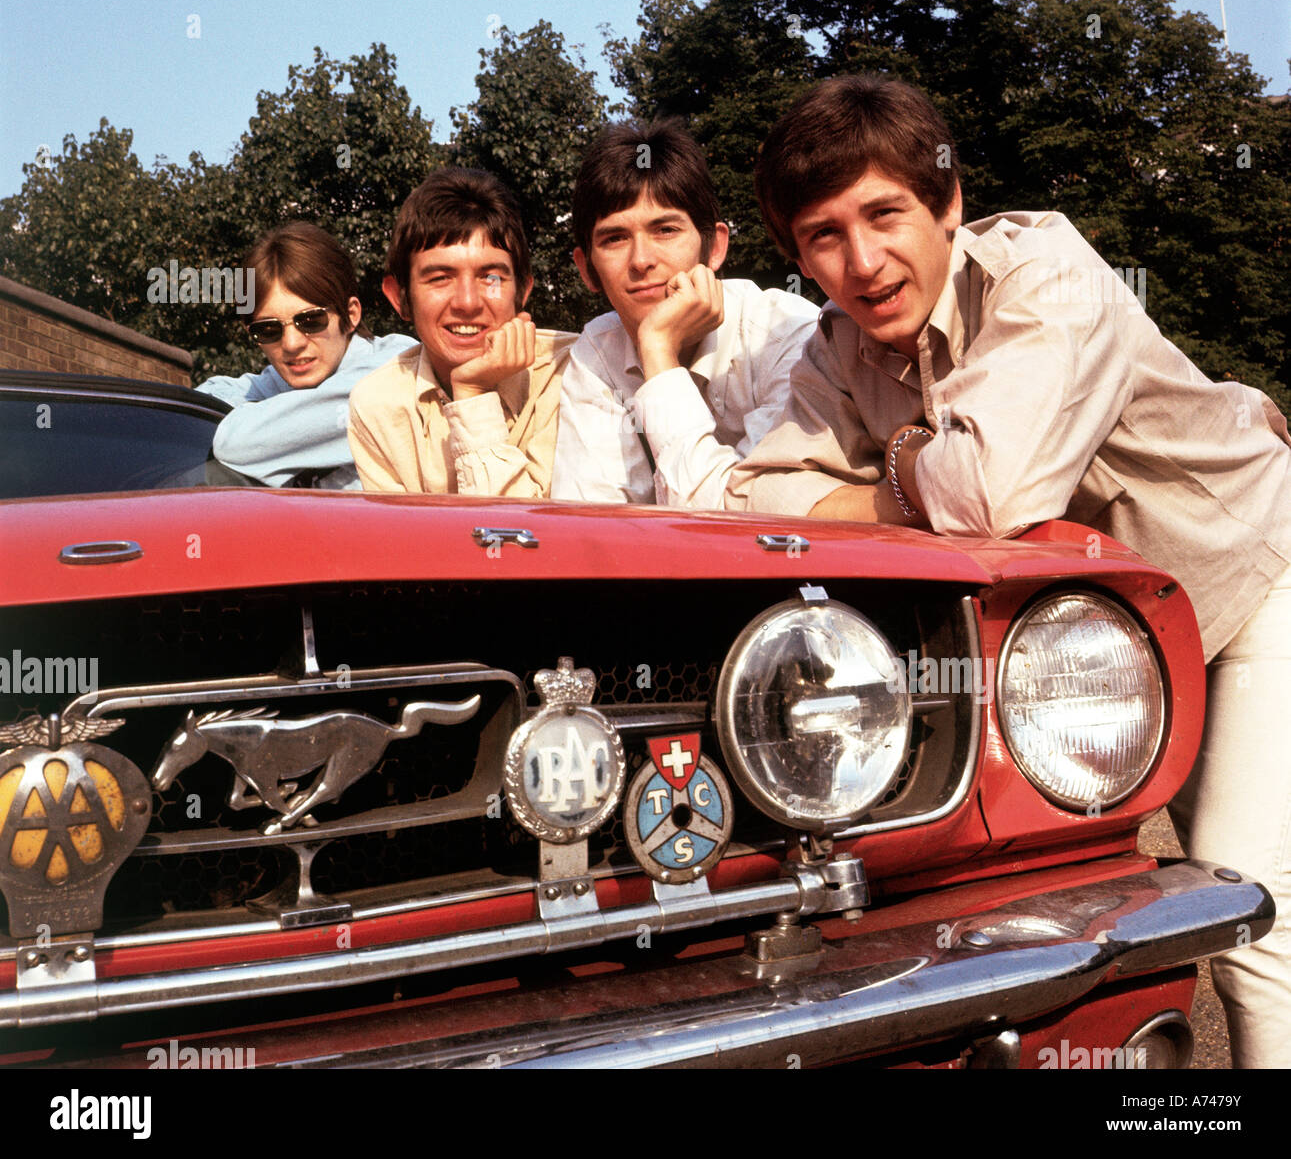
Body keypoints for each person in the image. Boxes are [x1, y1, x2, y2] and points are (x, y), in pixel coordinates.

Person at [726, 72, 1291, 1069]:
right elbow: (752, 501)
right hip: (1119, 649)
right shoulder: (831, 348)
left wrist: (888, 460)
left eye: (884, 213)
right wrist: (919, 471)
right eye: (822, 236)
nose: (862, 261)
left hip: (1250, 575)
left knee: (1245, 910)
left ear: (947, 203)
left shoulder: (1049, 272)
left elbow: (988, 494)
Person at [550, 117, 818, 508]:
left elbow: (744, 517)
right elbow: (595, 518)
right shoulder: (598, 352)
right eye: (614, 238)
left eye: (665, 231)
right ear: (586, 269)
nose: (641, 260)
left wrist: (658, 352)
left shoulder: (787, 334)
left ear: (715, 249)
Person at [347, 167, 574, 495]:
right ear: (400, 298)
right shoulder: (376, 404)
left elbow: (524, 535)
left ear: (522, 291)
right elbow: (399, 540)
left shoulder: (572, 373)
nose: (467, 302)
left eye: (490, 277)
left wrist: (472, 392)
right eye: (439, 278)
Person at [196, 222, 415, 487]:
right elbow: (202, 401)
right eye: (268, 329)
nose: (291, 344)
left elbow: (235, 444)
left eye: (311, 320)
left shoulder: (398, 366)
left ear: (351, 315)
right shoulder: (276, 386)